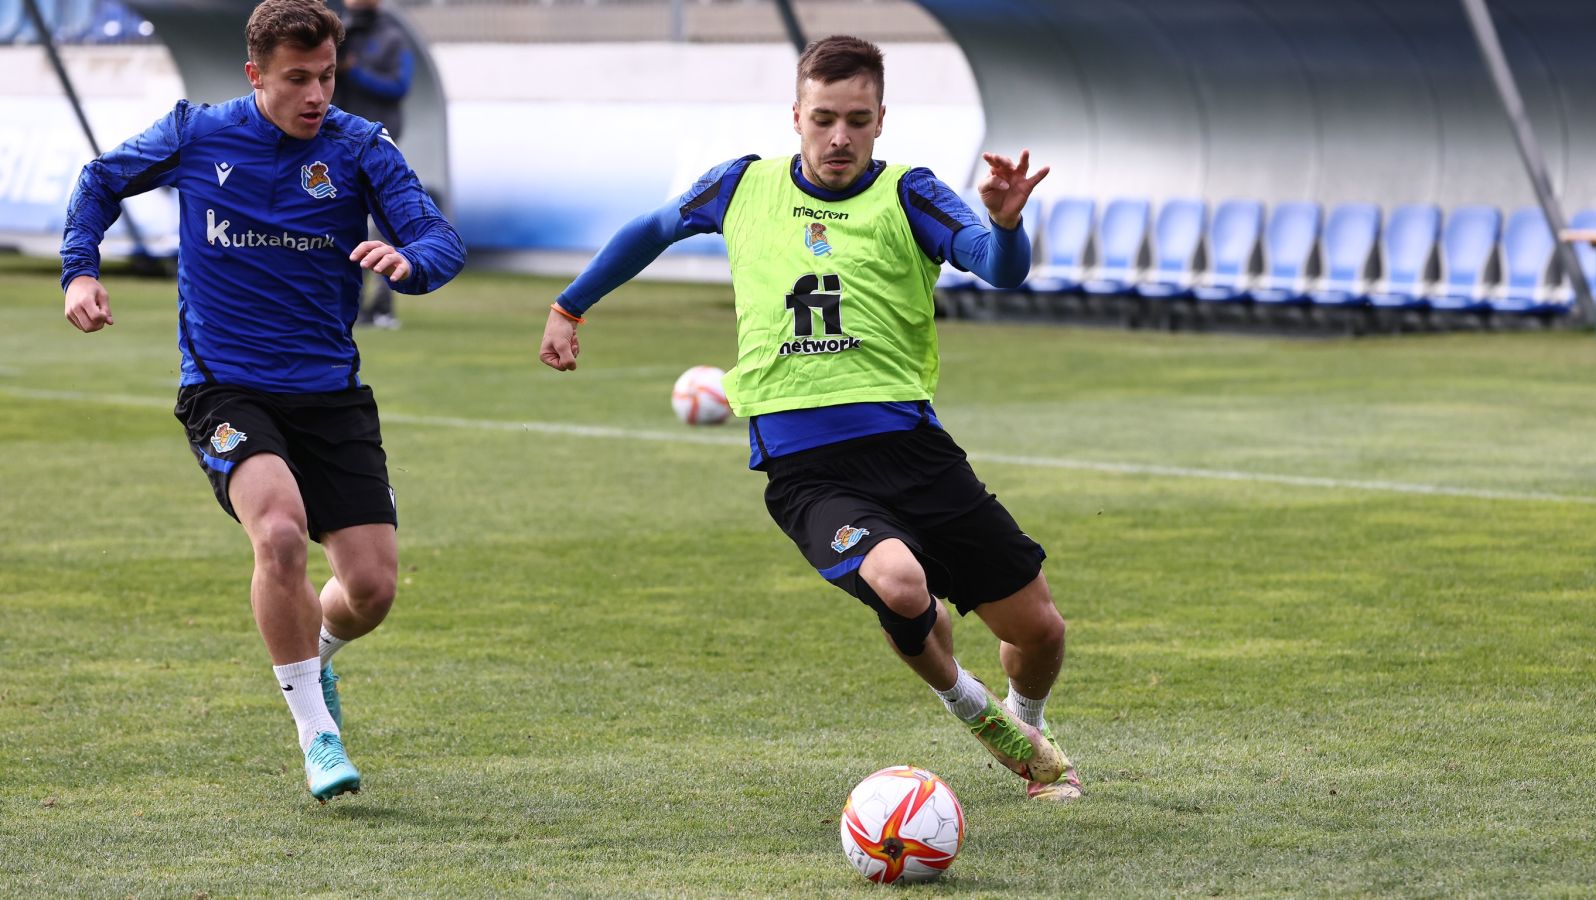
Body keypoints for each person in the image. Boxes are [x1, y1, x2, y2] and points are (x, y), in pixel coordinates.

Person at [538, 35, 1081, 802]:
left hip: (915, 454)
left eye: (857, 119)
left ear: (881, 119)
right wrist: (569, 307)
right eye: (823, 117)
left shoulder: (911, 194)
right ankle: (978, 714)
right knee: (899, 583)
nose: (839, 137)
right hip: (809, 471)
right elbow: (651, 230)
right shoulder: (741, 185)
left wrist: (1007, 226)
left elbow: (996, 266)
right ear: (795, 115)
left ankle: (1029, 722)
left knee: (1041, 632)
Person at [59, 0, 466, 802]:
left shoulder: (359, 147)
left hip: (330, 396)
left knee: (372, 590)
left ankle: (315, 654)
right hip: (226, 387)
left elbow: (438, 240)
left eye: (326, 76)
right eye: (297, 80)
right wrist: (79, 268)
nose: (317, 95)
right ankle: (316, 732)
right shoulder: (195, 133)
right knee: (278, 532)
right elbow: (99, 181)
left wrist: (408, 263)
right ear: (255, 76)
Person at [333, 0, 414, 330]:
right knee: (337, 224)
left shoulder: (394, 37)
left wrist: (355, 71)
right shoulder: (337, 30)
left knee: (383, 228)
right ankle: (343, 303)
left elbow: (400, 85)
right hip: (336, 146)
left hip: (378, 145)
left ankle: (382, 305)